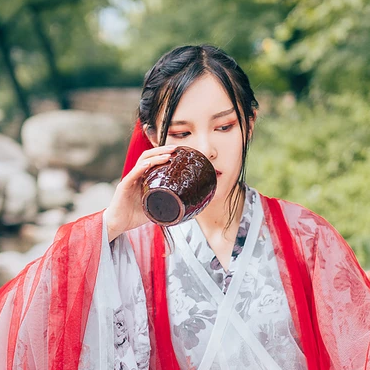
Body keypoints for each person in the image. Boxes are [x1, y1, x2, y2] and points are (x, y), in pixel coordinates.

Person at [0, 45, 369, 370]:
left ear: (249, 125)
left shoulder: (305, 236)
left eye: (224, 127)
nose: (206, 148)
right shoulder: (132, 248)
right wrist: (110, 226)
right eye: (180, 133)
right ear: (152, 137)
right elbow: (24, 324)